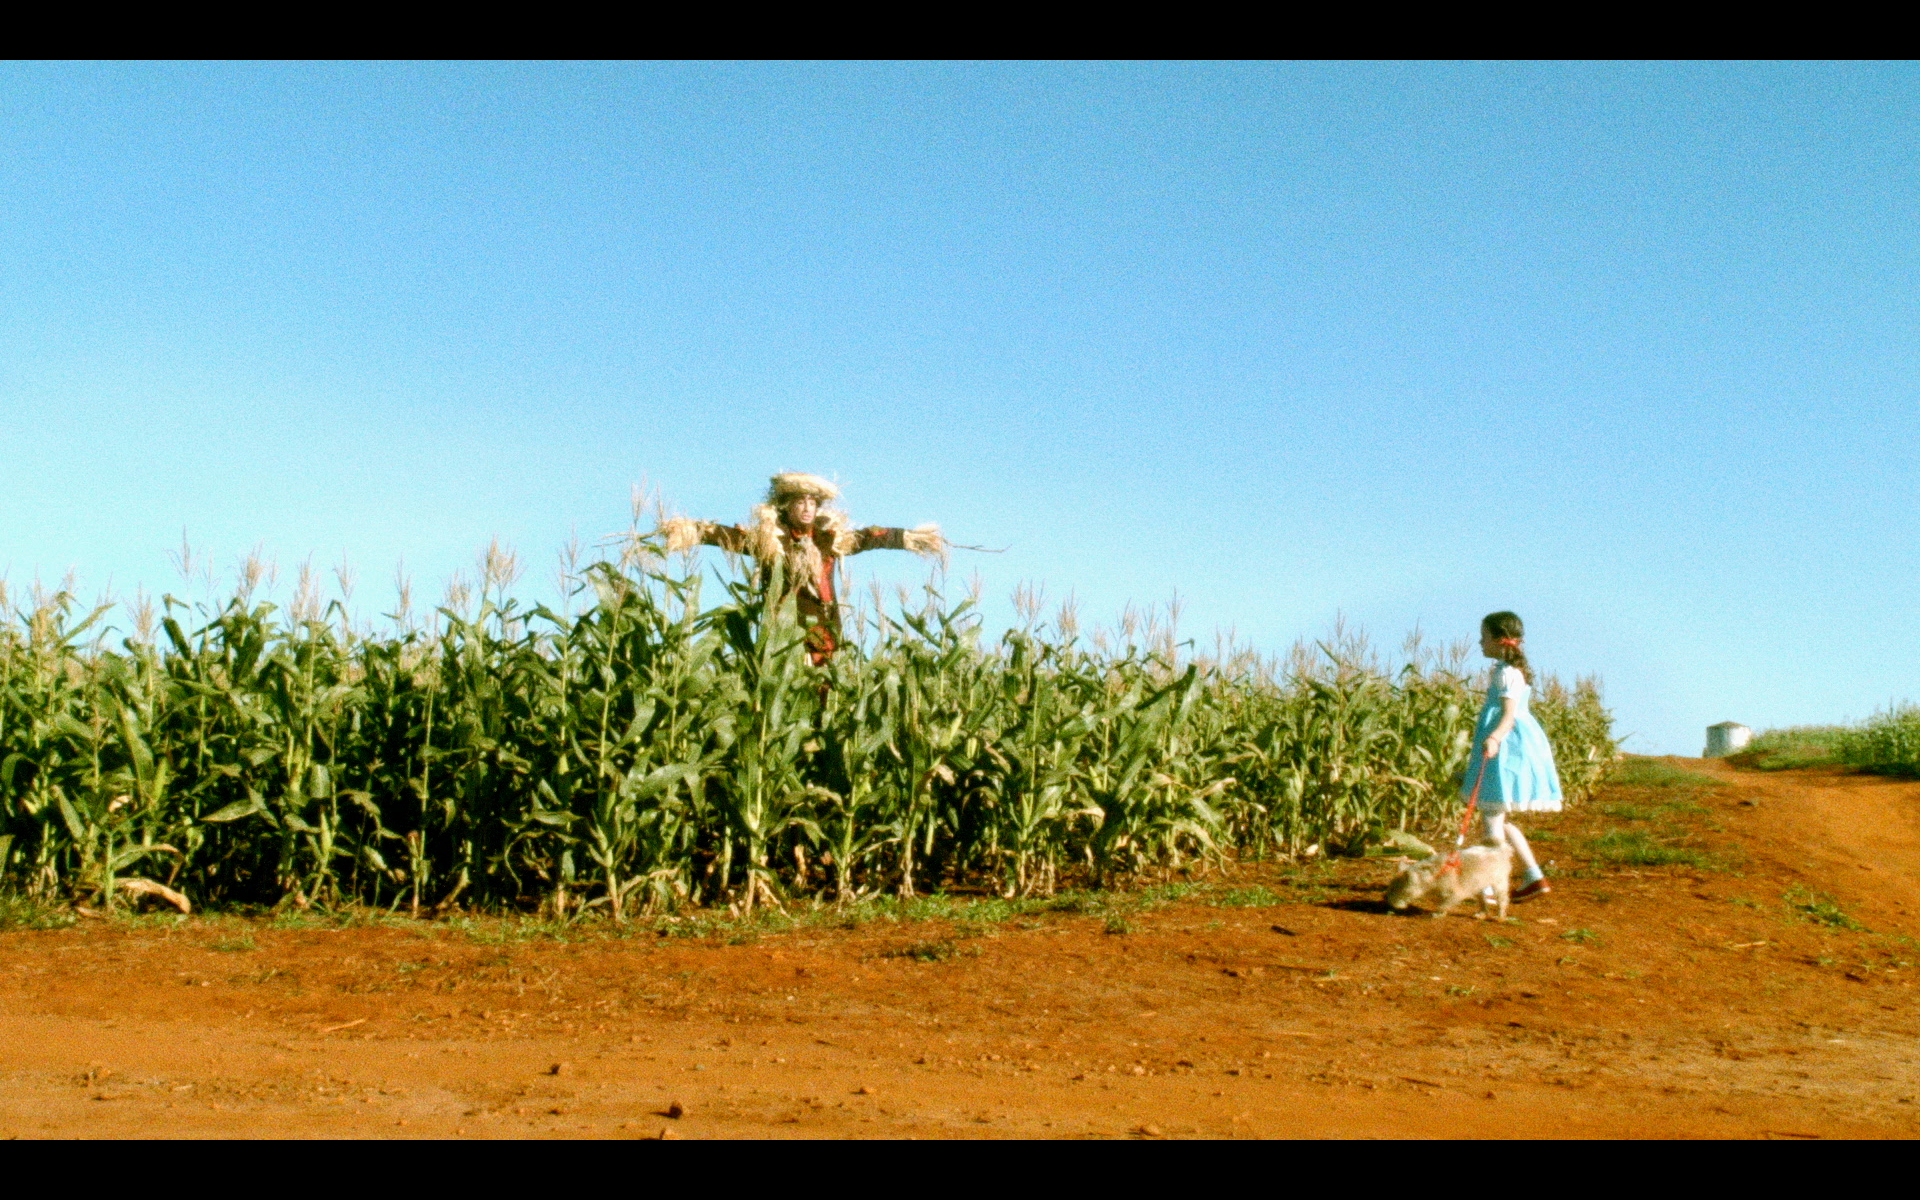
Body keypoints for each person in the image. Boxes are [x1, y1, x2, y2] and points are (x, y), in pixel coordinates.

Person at [658, 472, 946, 664]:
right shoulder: (770, 540)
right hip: (784, 630)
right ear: (786, 506)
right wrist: (690, 530)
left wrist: (911, 538)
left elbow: (869, 537)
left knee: (825, 687)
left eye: (812, 502)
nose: (808, 508)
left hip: (826, 627)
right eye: (800, 502)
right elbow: (727, 537)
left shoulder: (830, 538)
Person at [1464, 610, 1561, 902]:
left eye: (1483, 638)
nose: (1480, 643)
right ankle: (1533, 877)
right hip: (1507, 746)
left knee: (1492, 821)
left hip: (1505, 749)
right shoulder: (1506, 670)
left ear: (1498, 640)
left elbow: (1508, 717)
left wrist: (1492, 739)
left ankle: (1490, 889)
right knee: (1500, 818)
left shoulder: (1507, 673)